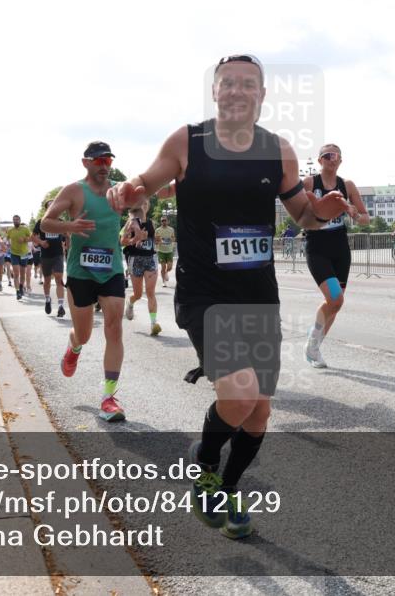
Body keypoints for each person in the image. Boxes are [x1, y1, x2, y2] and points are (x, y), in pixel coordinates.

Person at [105, 54, 347, 539]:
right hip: (204, 292)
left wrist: (320, 211)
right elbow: (147, 183)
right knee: (239, 393)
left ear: (262, 95)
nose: (237, 90)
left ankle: (227, 487)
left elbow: (302, 214)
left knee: (259, 412)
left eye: (248, 84)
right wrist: (129, 191)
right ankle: (205, 463)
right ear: (215, 92)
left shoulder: (278, 151)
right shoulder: (187, 141)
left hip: (258, 294)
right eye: (228, 83)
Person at [42, 141, 126, 422]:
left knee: (114, 328)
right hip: (81, 272)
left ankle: (109, 397)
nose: (104, 166)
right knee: (85, 334)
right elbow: (46, 223)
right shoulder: (73, 191)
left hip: (112, 268)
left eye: (108, 161)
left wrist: (137, 221)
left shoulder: (119, 190)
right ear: (86, 162)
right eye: (99, 161)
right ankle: (74, 345)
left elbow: (142, 202)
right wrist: (70, 226)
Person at [302, 143, 371, 368]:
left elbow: (365, 218)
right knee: (335, 298)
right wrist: (318, 211)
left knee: (335, 304)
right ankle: (312, 342)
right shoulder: (309, 183)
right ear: (319, 160)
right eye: (327, 155)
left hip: (340, 248)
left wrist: (352, 212)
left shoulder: (347, 185)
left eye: (336, 156)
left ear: (340, 161)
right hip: (317, 246)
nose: (332, 159)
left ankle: (314, 349)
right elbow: (297, 214)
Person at [122, 201, 163, 336]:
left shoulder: (151, 223)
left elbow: (152, 240)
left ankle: (153, 323)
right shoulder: (130, 223)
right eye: (141, 203)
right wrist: (135, 239)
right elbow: (122, 241)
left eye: (146, 203)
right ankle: (130, 302)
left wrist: (156, 240)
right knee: (138, 294)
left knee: (151, 292)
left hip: (150, 259)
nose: (144, 205)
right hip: (135, 260)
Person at [34, 200, 67, 317]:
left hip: (58, 254)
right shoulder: (41, 222)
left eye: (54, 205)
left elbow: (67, 236)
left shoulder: (61, 222)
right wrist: (41, 242)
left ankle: (61, 306)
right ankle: (48, 299)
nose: (52, 207)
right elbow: (33, 237)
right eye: (49, 206)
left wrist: (67, 245)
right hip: (46, 255)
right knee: (47, 280)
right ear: (46, 209)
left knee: (58, 278)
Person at [6, 215, 33, 300]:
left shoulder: (25, 229)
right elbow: (7, 239)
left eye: (17, 220)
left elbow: (31, 238)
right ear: (13, 221)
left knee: (22, 273)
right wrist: (7, 244)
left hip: (24, 254)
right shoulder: (10, 230)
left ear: (20, 220)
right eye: (14, 220)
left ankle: (21, 287)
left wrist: (25, 239)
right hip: (14, 253)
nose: (15, 221)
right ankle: (17, 291)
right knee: (16, 273)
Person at [155, 215, 176, 287]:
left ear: (167, 221)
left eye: (165, 220)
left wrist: (171, 240)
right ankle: (163, 282)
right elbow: (156, 241)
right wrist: (159, 241)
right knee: (163, 267)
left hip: (169, 250)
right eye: (162, 221)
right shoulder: (157, 230)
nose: (164, 222)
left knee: (169, 267)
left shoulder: (171, 229)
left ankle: (166, 272)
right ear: (161, 222)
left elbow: (173, 238)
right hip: (161, 251)